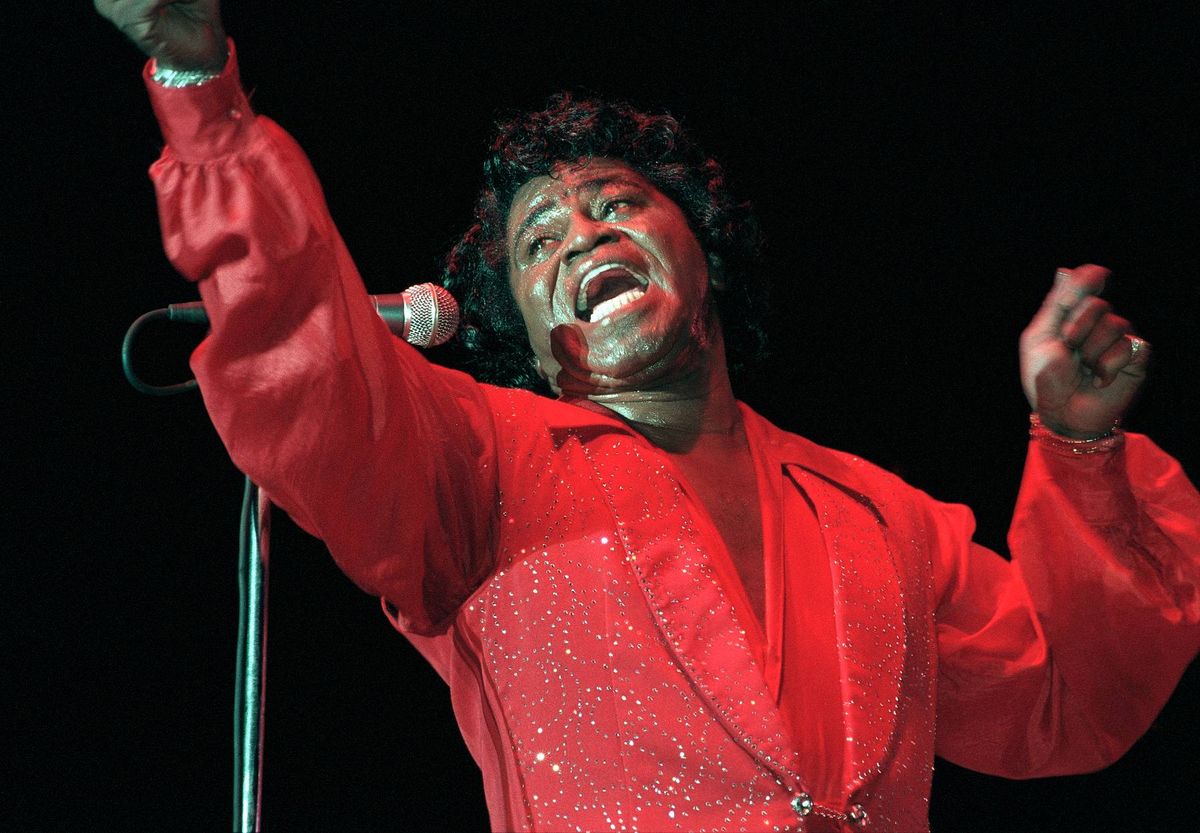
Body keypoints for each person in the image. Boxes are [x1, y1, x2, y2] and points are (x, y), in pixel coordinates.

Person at [98, 2, 1200, 831]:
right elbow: (309, 359)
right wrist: (202, 90)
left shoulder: (880, 516)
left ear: (701, 255)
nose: (581, 235)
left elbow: (1066, 696)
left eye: (617, 203)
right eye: (539, 245)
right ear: (525, 334)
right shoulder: (473, 463)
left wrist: (1082, 445)